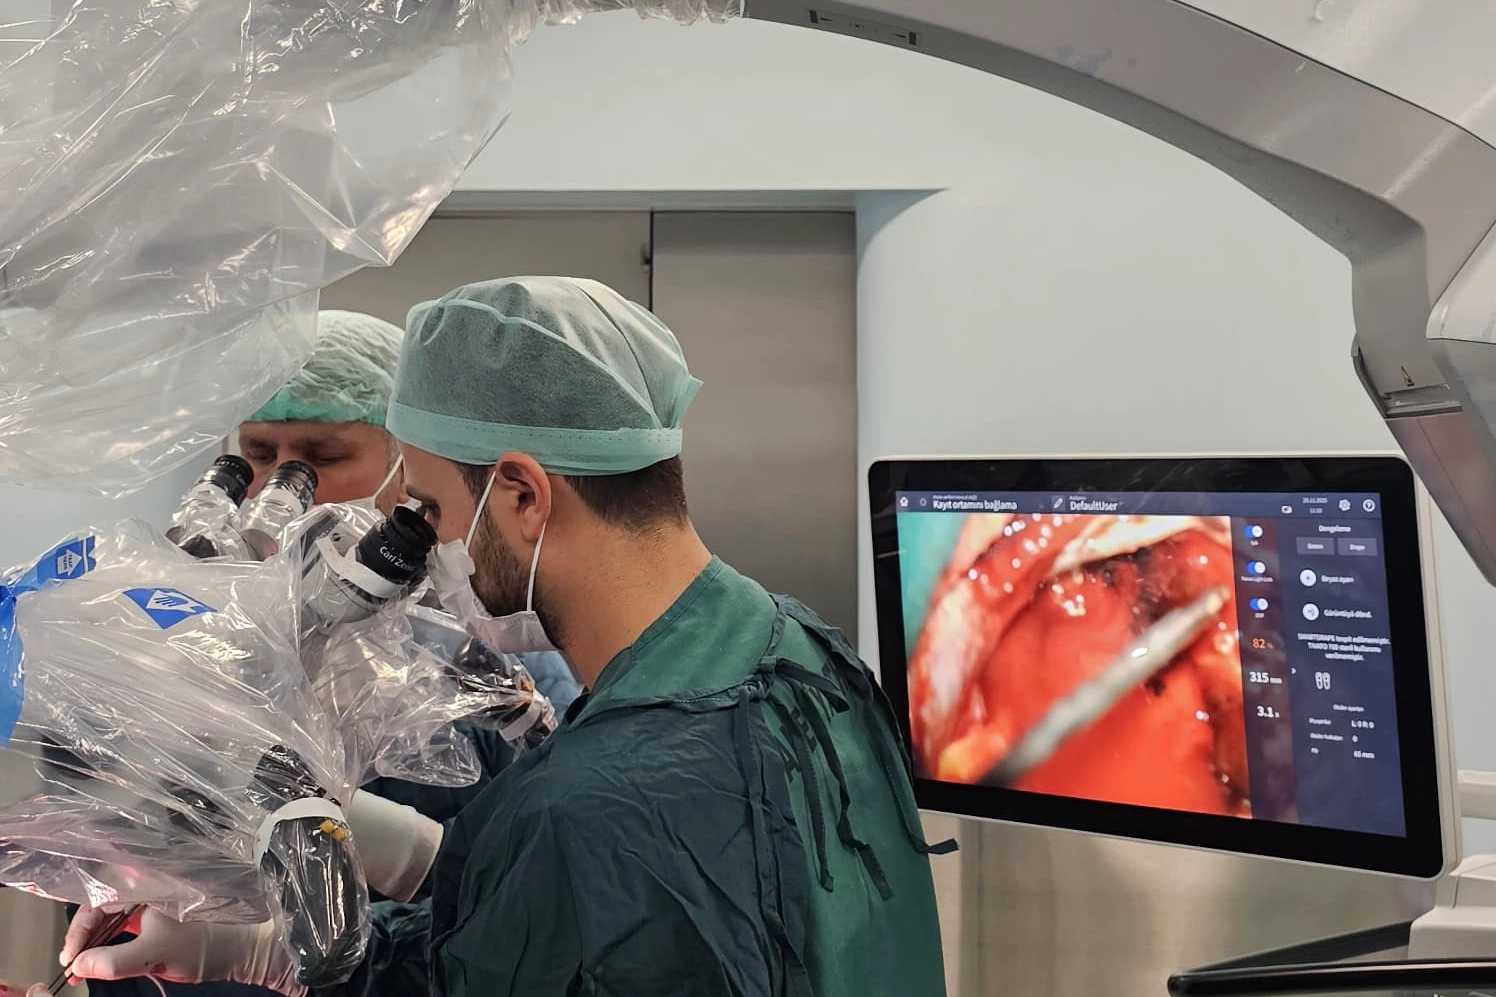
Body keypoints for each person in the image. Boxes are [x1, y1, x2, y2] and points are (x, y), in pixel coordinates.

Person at [52, 277, 950, 997]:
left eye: (426, 509)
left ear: (521, 495)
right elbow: (539, 937)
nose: (412, 550)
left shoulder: (594, 802)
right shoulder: (803, 650)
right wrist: (259, 942)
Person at [43, 306, 581, 997]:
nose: (281, 488)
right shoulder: (168, 637)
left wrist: (397, 854)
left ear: (407, 467)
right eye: (258, 455)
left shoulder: (491, 657)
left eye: (322, 458)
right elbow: (95, 845)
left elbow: (547, 899)